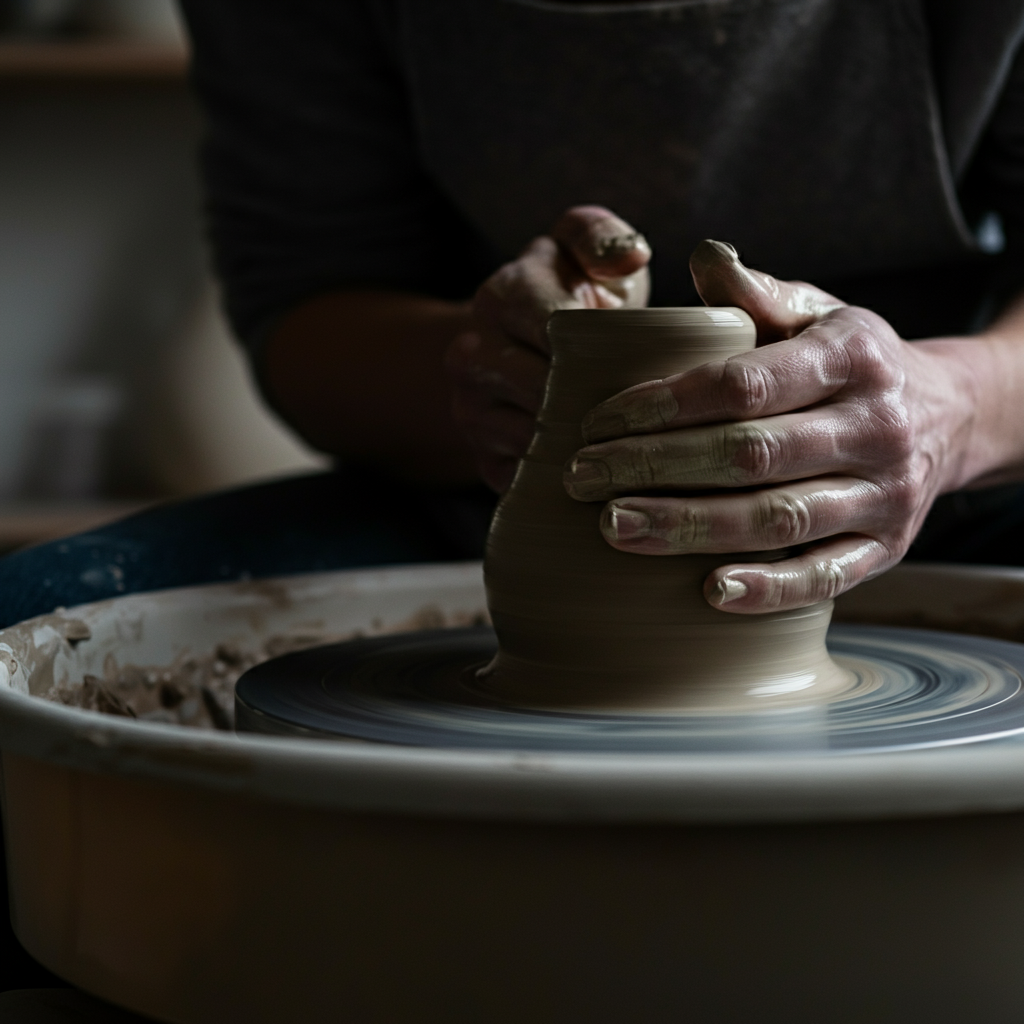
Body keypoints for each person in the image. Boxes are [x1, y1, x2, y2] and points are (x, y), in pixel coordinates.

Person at [0, 0, 1022, 988]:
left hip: (947, 473)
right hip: (500, 481)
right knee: (35, 625)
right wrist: (476, 367)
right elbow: (307, 293)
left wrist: (954, 408)